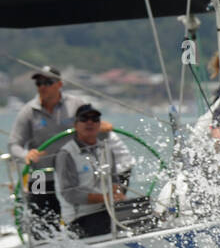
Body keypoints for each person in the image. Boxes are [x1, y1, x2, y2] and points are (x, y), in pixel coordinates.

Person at [8, 65, 110, 236]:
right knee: (39, 204)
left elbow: (92, 124)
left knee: (86, 195)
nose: (43, 87)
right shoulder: (28, 111)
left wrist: (102, 128)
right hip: (40, 171)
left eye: (48, 82)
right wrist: (26, 155)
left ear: (59, 84)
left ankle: (89, 230)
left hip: (73, 168)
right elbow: (13, 144)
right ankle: (42, 240)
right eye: (39, 83)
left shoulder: (76, 104)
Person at [54, 103, 135, 238]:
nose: (90, 122)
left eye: (95, 119)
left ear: (99, 124)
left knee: (141, 213)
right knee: (121, 223)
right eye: (84, 119)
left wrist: (117, 195)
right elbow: (70, 193)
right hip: (79, 219)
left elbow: (114, 180)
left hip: (105, 211)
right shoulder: (66, 154)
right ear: (75, 125)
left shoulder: (106, 149)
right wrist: (105, 198)